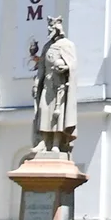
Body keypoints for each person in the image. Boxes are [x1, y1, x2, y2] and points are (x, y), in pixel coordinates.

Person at [31, 16, 77, 155]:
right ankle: (43, 142)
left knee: (58, 116)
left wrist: (66, 68)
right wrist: (36, 84)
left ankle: (56, 143)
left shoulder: (67, 45)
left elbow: (73, 65)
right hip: (47, 84)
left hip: (60, 87)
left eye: (52, 27)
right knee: (44, 111)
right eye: (49, 27)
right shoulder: (47, 46)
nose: (49, 30)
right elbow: (41, 69)